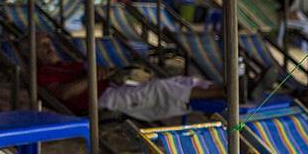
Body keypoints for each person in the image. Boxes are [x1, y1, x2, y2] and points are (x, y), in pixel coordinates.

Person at [35, 34, 222, 122]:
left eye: (49, 43)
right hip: (101, 99)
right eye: (42, 45)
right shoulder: (43, 73)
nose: (50, 48)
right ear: (31, 52)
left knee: (178, 81)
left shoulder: (65, 65)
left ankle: (221, 89)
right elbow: (64, 94)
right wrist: (92, 77)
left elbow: (93, 72)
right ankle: (224, 93)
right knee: (160, 89)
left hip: (111, 87)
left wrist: (105, 73)